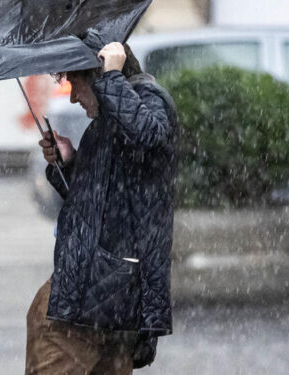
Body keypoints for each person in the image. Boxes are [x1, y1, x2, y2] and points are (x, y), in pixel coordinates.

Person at [26, 42, 177, 374]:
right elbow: (97, 204)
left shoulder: (151, 102)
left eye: (75, 83)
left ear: (96, 75)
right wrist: (67, 165)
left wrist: (110, 77)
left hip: (98, 297)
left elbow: (149, 136)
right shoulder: (107, 123)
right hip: (100, 295)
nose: (72, 97)